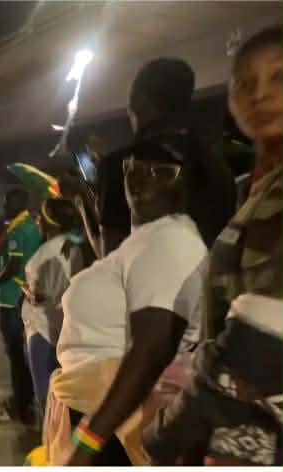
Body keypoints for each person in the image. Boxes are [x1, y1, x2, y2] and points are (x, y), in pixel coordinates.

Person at [143, 25, 283, 466]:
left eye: (280, 77)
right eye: (244, 82)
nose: (259, 94)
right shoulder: (254, 189)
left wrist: (170, 431)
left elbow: (262, 337)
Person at [46, 122, 210, 465]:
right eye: (132, 167)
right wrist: (82, 202)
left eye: (161, 170)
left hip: (116, 429)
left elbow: (152, 348)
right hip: (102, 415)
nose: (141, 176)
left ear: (187, 184)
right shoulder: (143, 243)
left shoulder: (171, 239)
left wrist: (88, 443)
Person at [71, 57, 236, 259]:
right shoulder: (217, 164)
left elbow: (110, 259)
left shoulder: (121, 166)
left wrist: (83, 207)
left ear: (139, 101)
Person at [21, 198, 84, 413]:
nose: (37, 220)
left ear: (50, 222)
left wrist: (31, 293)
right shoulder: (74, 247)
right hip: (66, 331)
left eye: (40, 217)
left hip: (42, 329)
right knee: (62, 399)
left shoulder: (46, 253)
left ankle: (50, 443)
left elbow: (42, 296)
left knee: (46, 398)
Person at [0, 188, 42, 426]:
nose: (4, 208)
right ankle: (25, 402)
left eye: (6, 203)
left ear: (16, 205)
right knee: (22, 356)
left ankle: (19, 407)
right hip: (24, 297)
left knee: (15, 356)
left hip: (10, 297)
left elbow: (12, 265)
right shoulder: (34, 227)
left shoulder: (17, 230)